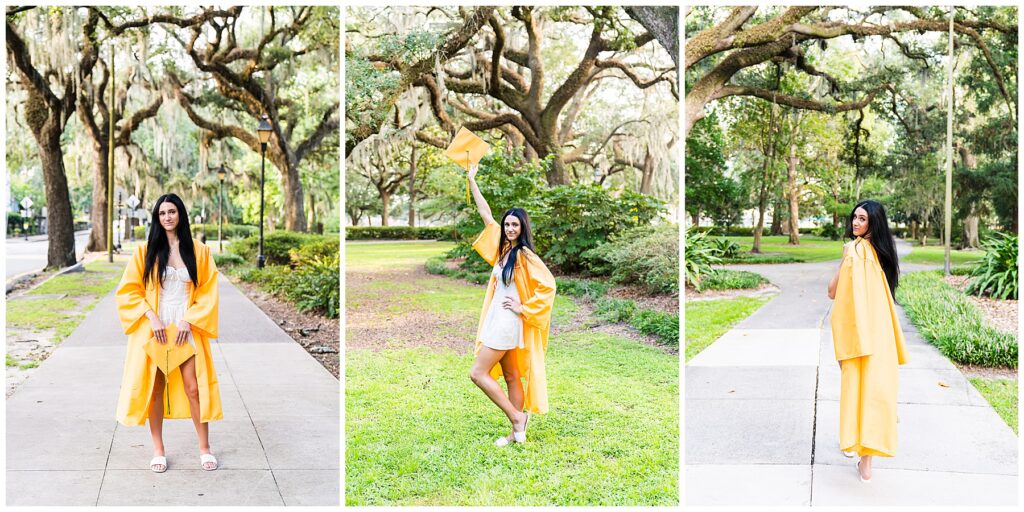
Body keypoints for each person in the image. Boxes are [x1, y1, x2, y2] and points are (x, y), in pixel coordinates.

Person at [115, 193, 223, 472]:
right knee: (155, 389)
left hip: (185, 327)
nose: (167, 217)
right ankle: (158, 450)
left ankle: (204, 448)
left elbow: (209, 292)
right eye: (162, 213)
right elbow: (128, 290)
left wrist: (189, 320)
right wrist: (150, 317)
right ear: (157, 217)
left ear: (180, 214)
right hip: (157, 329)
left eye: (172, 212)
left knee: (193, 387)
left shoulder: (198, 251)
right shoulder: (145, 251)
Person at [466, 162, 557, 446]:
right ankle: (517, 433)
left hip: (508, 321)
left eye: (514, 224)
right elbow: (485, 213)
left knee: (477, 373)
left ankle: (517, 418)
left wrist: (523, 307)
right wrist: (472, 179)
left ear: (522, 227)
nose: (509, 228)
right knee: (511, 375)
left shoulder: (524, 255)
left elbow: (549, 285)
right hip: (499, 319)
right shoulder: (501, 250)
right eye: (507, 224)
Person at [827, 199, 908, 483]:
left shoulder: (855, 251)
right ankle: (865, 460)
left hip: (858, 332)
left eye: (862, 219)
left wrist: (844, 256)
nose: (855, 223)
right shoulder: (882, 254)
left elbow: (832, 292)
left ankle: (860, 451)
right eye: (854, 218)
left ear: (873, 222)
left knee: (858, 389)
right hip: (880, 332)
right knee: (875, 391)